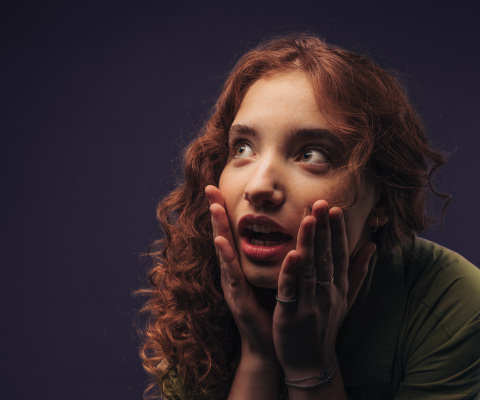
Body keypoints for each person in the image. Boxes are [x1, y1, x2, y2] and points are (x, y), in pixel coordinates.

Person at [137, 34, 480, 399]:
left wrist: (309, 366)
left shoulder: (452, 306)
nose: (258, 187)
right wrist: (259, 355)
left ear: (382, 200)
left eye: (312, 155)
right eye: (243, 148)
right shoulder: (198, 287)